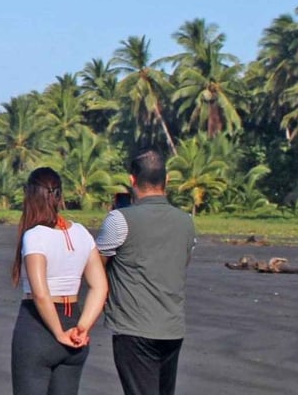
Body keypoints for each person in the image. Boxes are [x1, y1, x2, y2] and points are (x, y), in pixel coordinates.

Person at [96, 149, 195, 395]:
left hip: (134, 328)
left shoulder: (119, 219)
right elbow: (182, 262)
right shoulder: (186, 222)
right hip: (172, 327)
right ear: (167, 180)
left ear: (132, 180)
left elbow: (96, 267)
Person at [10, 167, 108, 395]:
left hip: (38, 330)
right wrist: (82, 328)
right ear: (59, 196)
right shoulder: (82, 233)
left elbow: (40, 293)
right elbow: (100, 287)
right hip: (73, 321)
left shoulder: (34, 235)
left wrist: (57, 332)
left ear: (31, 196)